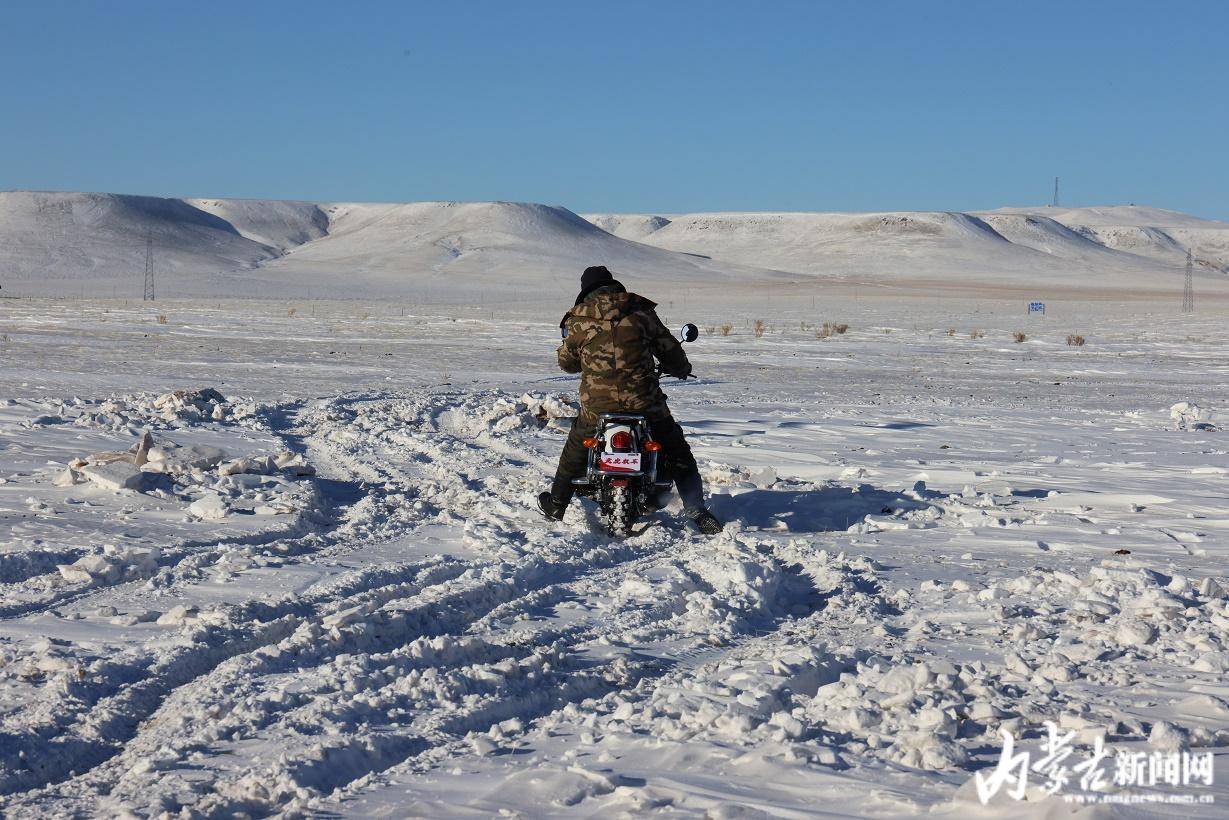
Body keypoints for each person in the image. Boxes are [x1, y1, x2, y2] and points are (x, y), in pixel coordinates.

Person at [538, 265, 723, 535]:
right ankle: (696, 510)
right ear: (614, 287)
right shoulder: (641, 312)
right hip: (644, 403)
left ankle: (556, 504)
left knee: (575, 448)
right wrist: (681, 368)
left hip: (597, 406)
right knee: (675, 448)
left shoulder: (576, 320)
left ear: (586, 292)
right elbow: (669, 350)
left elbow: (566, 364)